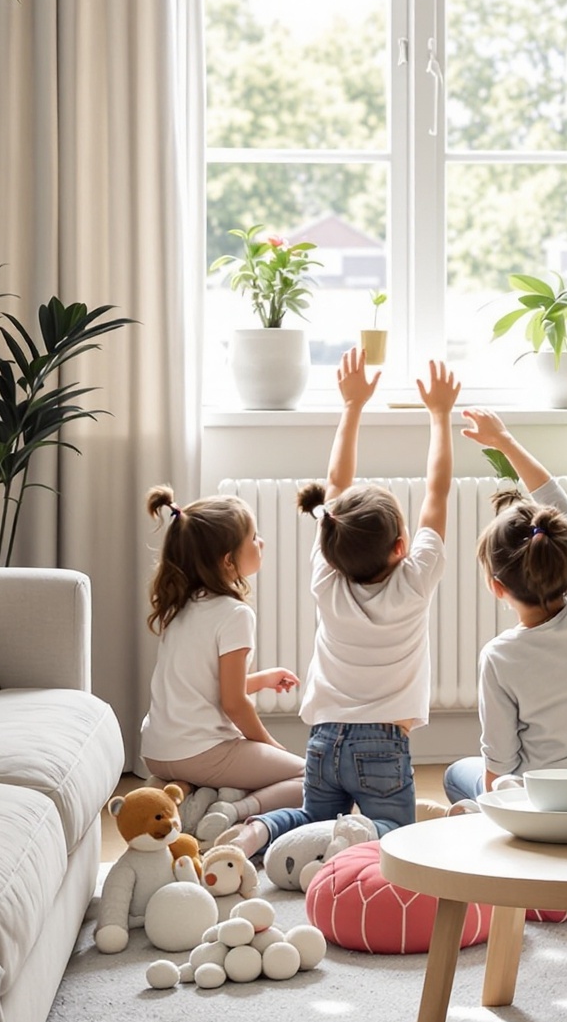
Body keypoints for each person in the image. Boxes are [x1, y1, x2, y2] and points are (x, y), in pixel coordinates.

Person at [291, 347, 459, 836]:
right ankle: (362, 839)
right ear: (401, 547)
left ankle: (266, 832)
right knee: (400, 841)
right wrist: (440, 416)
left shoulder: (326, 576)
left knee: (311, 829)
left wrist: (352, 406)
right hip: (383, 747)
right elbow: (438, 492)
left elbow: (335, 485)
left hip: (322, 741)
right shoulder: (414, 581)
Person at [443, 409, 567, 805]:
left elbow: (499, 768)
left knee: (456, 775)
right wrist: (505, 440)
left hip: (543, 806)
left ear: (497, 587)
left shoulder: (499, 657)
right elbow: (565, 508)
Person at [140, 490, 304, 809]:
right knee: (311, 780)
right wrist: (271, 747)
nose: (262, 543)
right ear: (228, 560)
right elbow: (233, 703)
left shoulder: (180, 606)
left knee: (254, 765)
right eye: (254, 537)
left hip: (156, 753)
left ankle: (182, 793)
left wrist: (264, 679)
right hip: (200, 753)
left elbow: (205, 686)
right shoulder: (235, 614)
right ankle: (232, 812)